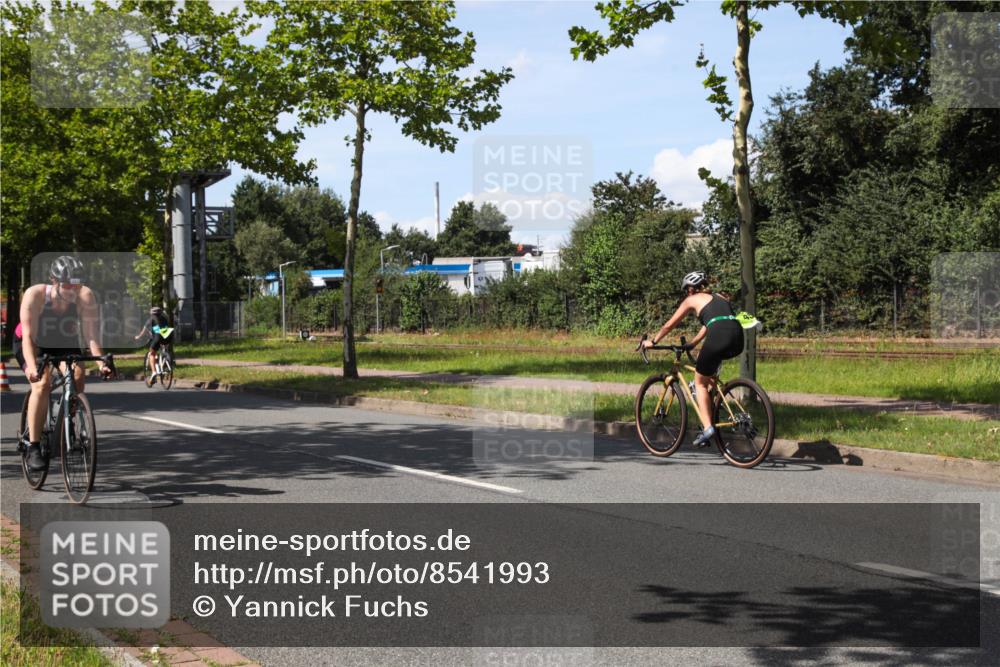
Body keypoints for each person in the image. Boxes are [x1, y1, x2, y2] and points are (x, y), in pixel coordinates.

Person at [14, 256, 112, 470]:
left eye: (76, 285)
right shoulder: (35, 295)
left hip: (62, 339)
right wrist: (32, 368)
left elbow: (91, 336)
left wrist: (101, 363)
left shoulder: (85, 295)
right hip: (33, 342)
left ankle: (67, 418)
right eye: (67, 285)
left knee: (77, 375)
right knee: (42, 384)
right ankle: (33, 446)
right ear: (54, 281)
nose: (72, 290)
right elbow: (28, 338)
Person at [641, 271, 745, 447]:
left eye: (686, 290)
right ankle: (714, 412)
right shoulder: (720, 297)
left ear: (690, 289)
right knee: (709, 378)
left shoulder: (691, 300)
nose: (687, 293)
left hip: (719, 336)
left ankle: (708, 428)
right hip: (737, 337)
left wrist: (653, 341)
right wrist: (693, 343)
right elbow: (711, 323)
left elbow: (669, 325)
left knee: (699, 383)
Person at [135, 306, 169, 385]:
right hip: (167, 337)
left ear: (151, 313)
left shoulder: (151, 319)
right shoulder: (164, 319)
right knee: (162, 351)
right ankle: (165, 363)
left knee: (152, 354)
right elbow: (162, 329)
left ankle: (154, 372)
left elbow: (144, 331)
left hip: (157, 338)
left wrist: (138, 337)